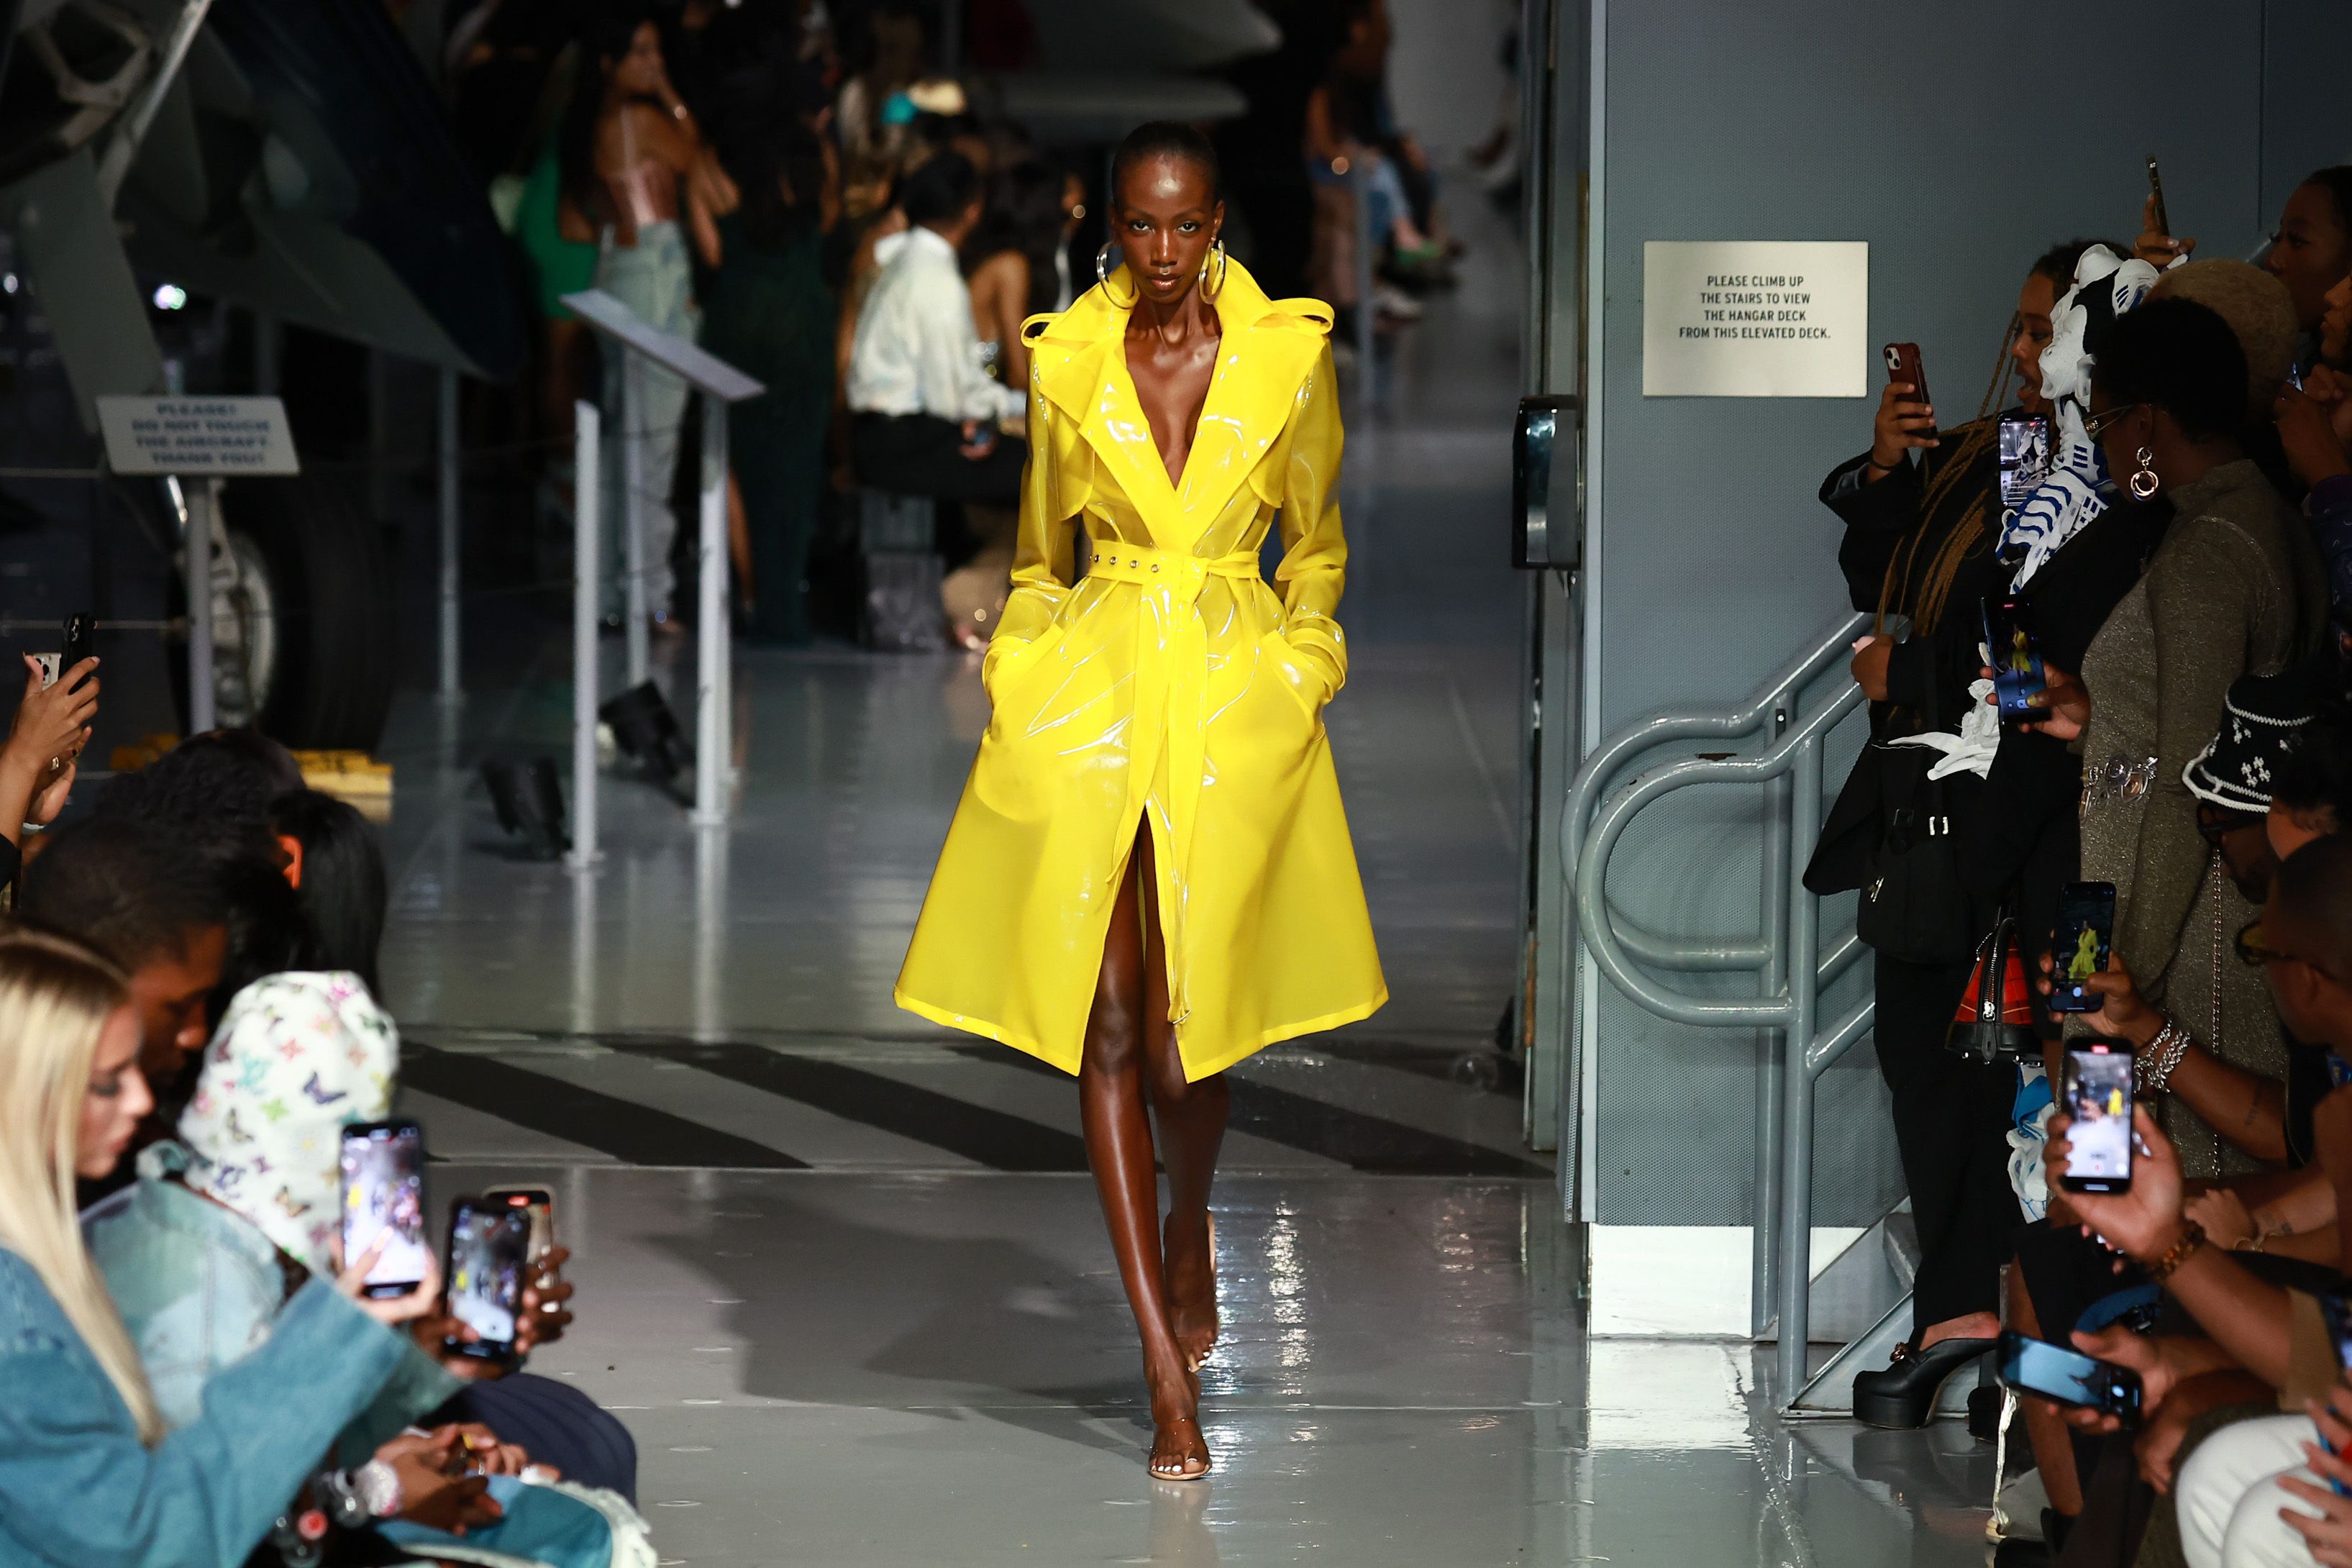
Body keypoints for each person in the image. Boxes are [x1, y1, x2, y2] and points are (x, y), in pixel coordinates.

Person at [893, 122, 1386, 1480]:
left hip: (1231, 695)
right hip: (1095, 694)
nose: (1160, 256)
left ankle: (1191, 1224)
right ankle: (1163, 1377)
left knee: (1190, 1044)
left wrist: (1304, 664)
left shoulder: (1290, 353)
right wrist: (1023, 661)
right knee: (1108, 1023)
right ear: (1106, 222)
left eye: (1184, 227)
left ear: (1218, 220)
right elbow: (1042, 554)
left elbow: (1320, 544)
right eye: (1138, 227)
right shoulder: (1063, 357)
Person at [1806, 240, 2107, 1428]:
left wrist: (1910, 679)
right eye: (2022, 330)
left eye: (2052, 330)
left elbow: (2032, 664)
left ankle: (2066, 1351)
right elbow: (1921, 593)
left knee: (2082, 1088)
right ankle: (1988, 1326)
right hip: (1959, 820)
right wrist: (1892, 470)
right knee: (1942, 1066)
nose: (2029, 353)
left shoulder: (2121, 503)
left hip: (2068, 856)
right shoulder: (2002, 456)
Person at [83, 972, 641, 1566]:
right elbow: (212, 1512)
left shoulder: (183, 1216)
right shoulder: (194, 1289)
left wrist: (428, 1373)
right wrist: (380, 1494)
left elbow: (294, 1437)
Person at [0, 926, 440, 1564]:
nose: (144, 1100)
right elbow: (155, 1540)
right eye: (107, 1082)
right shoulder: (16, 1318)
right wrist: (340, 1334)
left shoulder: (55, 1255)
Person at [2070, 296, 2330, 1178]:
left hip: (2179, 938)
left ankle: (2090, 1317)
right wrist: (2095, 726)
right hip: (2206, 920)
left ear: (2146, 422)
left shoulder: (2211, 550)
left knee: (2119, 1190)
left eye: (2105, 421)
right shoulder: (2265, 520)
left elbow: (2192, 781)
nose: (2103, 445)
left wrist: (2114, 984)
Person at [563, 9, 724, 635]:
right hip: (658, 275)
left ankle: (608, 593)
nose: (654, 65)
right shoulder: (643, 120)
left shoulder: (585, 123)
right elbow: (702, 160)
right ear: (610, 62)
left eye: (657, 54)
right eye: (640, 53)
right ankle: (649, 596)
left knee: (619, 441)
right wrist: (671, 98)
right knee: (652, 446)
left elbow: (572, 220)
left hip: (615, 267)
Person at [702, 72, 837, 646]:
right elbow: (830, 210)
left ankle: (752, 595)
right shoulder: (807, 174)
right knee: (794, 473)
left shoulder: (718, 179)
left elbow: (710, 252)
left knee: (738, 467)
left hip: (738, 329)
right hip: (802, 334)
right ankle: (784, 597)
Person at [845, 150, 1027, 506]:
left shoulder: (901, 257)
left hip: (883, 435)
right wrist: (1024, 408)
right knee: (1040, 469)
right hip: (902, 444)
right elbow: (953, 397)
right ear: (972, 209)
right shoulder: (934, 278)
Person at [963, 159, 1077, 391]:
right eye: (1062, 208)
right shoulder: (1008, 266)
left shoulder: (994, 257)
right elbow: (1019, 376)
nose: (1067, 216)